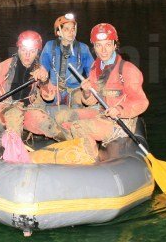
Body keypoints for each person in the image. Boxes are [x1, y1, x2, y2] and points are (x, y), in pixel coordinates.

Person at [56, 23, 149, 161]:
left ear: (114, 45)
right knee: (61, 117)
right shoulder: (96, 67)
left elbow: (141, 102)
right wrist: (87, 92)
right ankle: (75, 150)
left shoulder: (128, 70)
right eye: (99, 45)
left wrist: (119, 109)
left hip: (119, 122)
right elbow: (92, 100)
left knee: (78, 127)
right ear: (94, 47)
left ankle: (91, 162)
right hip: (102, 113)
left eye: (107, 44)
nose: (103, 50)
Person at [0, 31, 63, 153]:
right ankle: (13, 154)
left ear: (37, 53)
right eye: (24, 50)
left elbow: (50, 97)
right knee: (14, 115)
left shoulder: (41, 69)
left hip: (26, 109)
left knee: (45, 123)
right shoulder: (6, 66)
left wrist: (44, 81)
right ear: (18, 49)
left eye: (32, 51)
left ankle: (70, 144)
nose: (27, 55)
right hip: (3, 107)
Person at [38, 13, 94, 110]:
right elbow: (43, 68)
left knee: (79, 107)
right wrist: (43, 78)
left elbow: (92, 73)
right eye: (66, 29)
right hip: (54, 89)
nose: (71, 32)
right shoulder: (49, 46)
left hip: (75, 90)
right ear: (59, 32)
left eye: (73, 29)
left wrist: (88, 88)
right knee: (45, 105)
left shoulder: (83, 48)